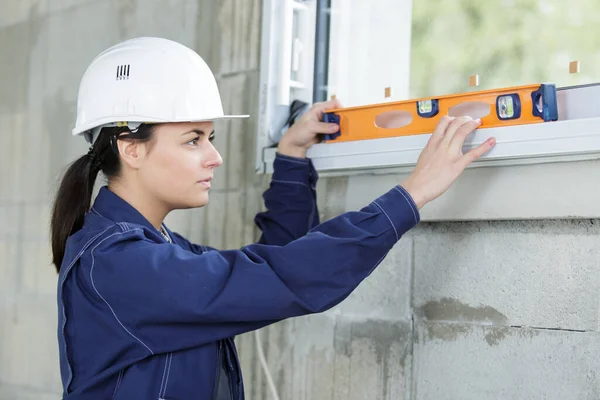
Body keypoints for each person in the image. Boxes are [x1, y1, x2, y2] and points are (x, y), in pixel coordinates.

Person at [51, 37, 495, 399]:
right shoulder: (117, 266)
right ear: (131, 148)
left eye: (210, 137)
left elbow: (274, 262)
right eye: (193, 140)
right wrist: (411, 195)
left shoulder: (158, 251)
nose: (215, 157)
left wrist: (292, 156)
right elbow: (286, 276)